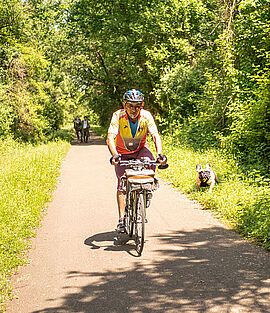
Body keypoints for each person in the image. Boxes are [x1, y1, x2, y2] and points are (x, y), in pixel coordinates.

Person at [106, 89, 167, 233]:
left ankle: (147, 190)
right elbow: (110, 137)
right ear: (124, 104)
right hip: (122, 153)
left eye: (137, 106)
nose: (134, 109)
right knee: (122, 183)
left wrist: (160, 154)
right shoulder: (118, 116)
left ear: (142, 105)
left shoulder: (146, 116)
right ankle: (121, 220)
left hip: (140, 150)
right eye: (130, 106)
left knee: (151, 162)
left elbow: (155, 135)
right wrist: (115, 155)